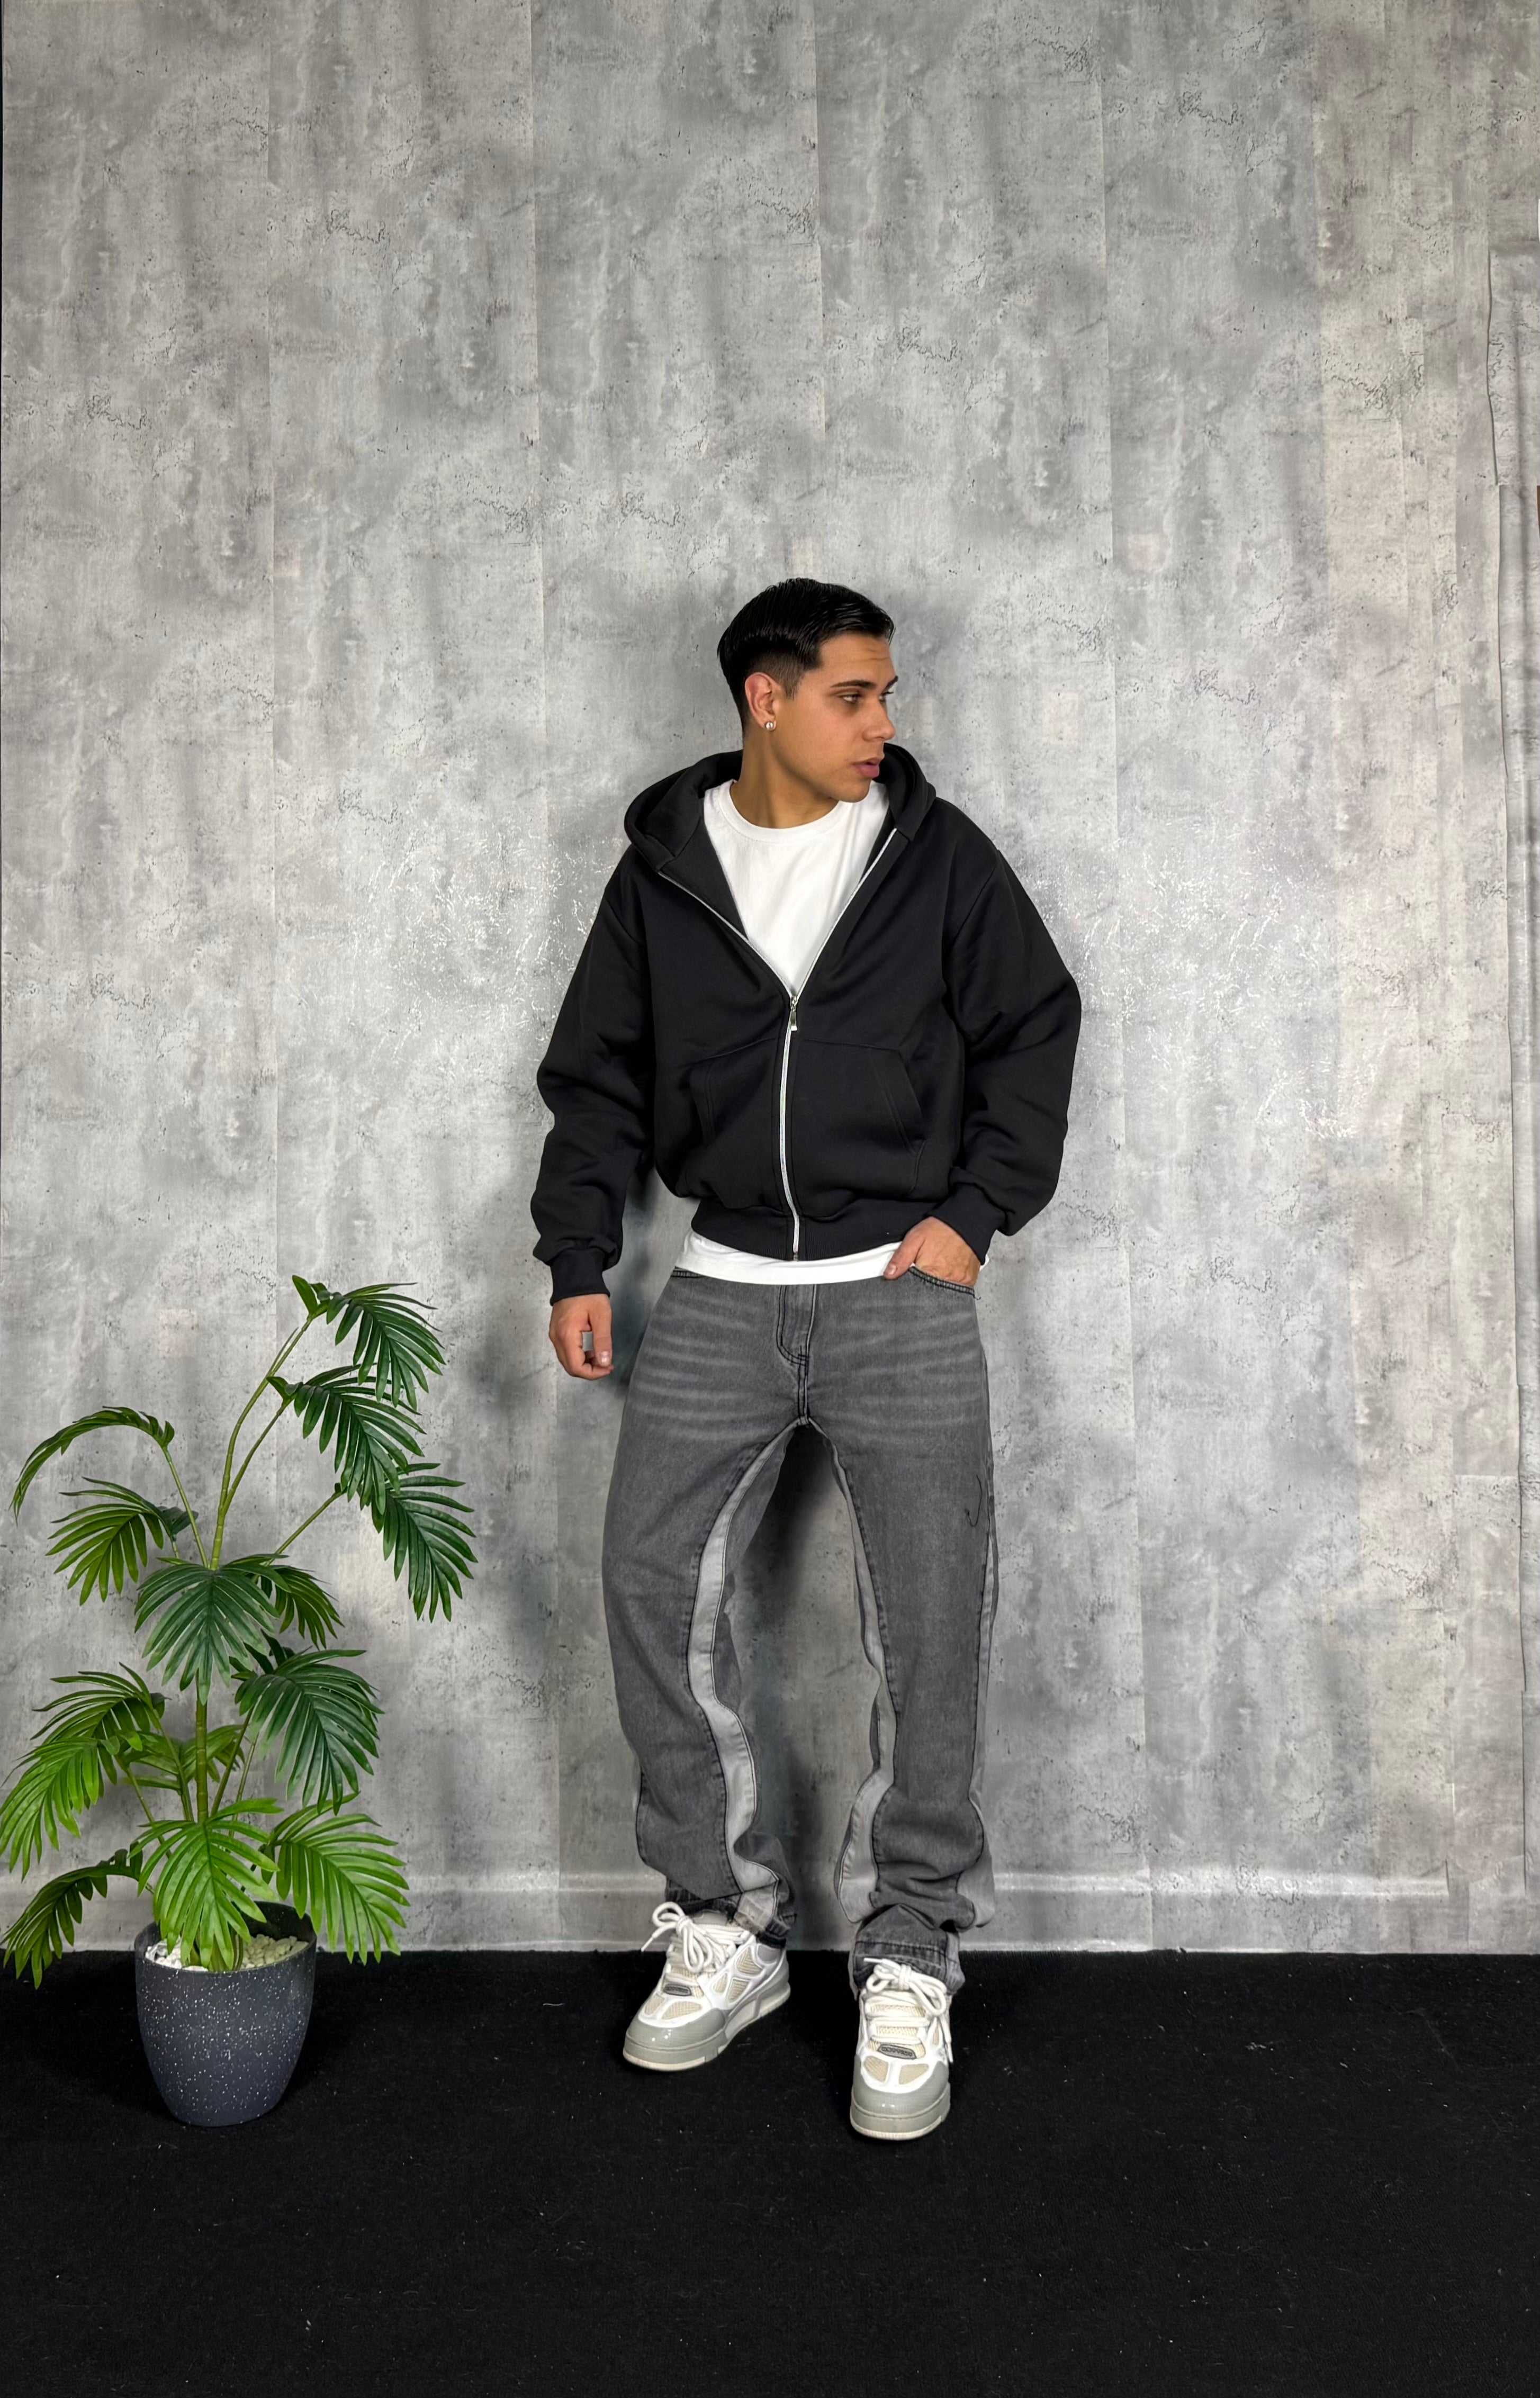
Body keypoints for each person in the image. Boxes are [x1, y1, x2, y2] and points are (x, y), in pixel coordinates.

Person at [530, 577, 1081, 2140]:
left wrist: (974, 1215)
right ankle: (724, 1926)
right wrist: (579, 1253)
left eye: (888, 693)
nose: (883, 723)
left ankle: (911, 1949)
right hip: (718, 1286)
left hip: (900, 1289)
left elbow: (1037, 1025)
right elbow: (597, 1073)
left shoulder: (935, 856)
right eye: (855, 694)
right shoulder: (664, 871)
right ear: (765, 700)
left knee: (932, 1619)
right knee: (650, 1585)